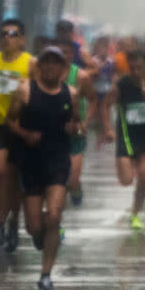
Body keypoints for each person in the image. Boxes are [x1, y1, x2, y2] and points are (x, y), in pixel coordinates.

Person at [6, 46, 80, 290]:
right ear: (39, 66)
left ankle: (46, 274)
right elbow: (10, 120)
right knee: (34, 227)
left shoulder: (71, 93)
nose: (50, 68)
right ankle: (44, 238)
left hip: (58, 161)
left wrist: (74, 128)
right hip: (31, 162)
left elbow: (76, 123)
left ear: (62, 68)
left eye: (55, 63)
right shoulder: (26, 90)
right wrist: (25, 134)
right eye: (45, 62)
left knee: (55, 215)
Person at [0, 19, 34, 251]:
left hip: (19, 126)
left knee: (15, 181)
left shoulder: (30, 63)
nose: (7, 38)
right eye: (3, 34)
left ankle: (13, 222)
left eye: (12, 34)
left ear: (22, 38)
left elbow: (36, 92)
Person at [101, 49, 145, 230]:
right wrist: (107, 129)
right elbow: (106, 105)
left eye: (140, 67)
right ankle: (133, 206)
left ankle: (135, 214)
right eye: (132, 68)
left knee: (144, 176)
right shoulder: (121, 85)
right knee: (126, 180)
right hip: (127, 136)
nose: (136, 72)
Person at [57, 38, 97, 206]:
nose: (61, 56)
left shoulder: (80, 76)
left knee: (71, 179)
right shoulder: (44, 75)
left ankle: (76, 185)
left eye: (65, 53)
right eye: (58, 53)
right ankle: (57, 215)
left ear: (72, 55)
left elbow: (93, 100)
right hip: (53, 133)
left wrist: (85, 122)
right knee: (56, 180)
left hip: (75, 133)